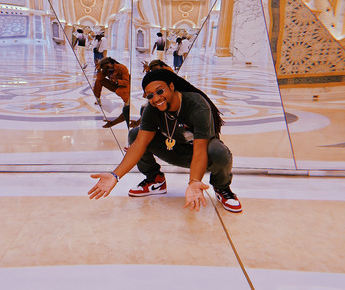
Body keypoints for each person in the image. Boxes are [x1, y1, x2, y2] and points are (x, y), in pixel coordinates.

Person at [88, 69, 242, 213]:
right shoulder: (151, 109)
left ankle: (222, 188)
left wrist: (194, 181)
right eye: (150, 95)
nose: (156, 98)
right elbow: (140, 144)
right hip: (173, 149)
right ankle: (155, 180)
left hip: (201, 155)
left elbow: (200, 150)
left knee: (219, 151)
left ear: (172, 87)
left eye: (160, 91)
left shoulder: (197, 105)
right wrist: (115, 176)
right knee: (135, 134)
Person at [94, 57, 130, 128]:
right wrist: (99, 70)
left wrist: (117, 81)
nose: (107, 69)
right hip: (114, 85)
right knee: (98, 81)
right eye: (105, 68)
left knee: (119, 91)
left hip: (124, 86)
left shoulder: (122, 68)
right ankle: (97, 98)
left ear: (111, 63)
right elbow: (99, 78)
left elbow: (126, 82)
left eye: (107, 67)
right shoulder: (105, 69)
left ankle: (127, 103)